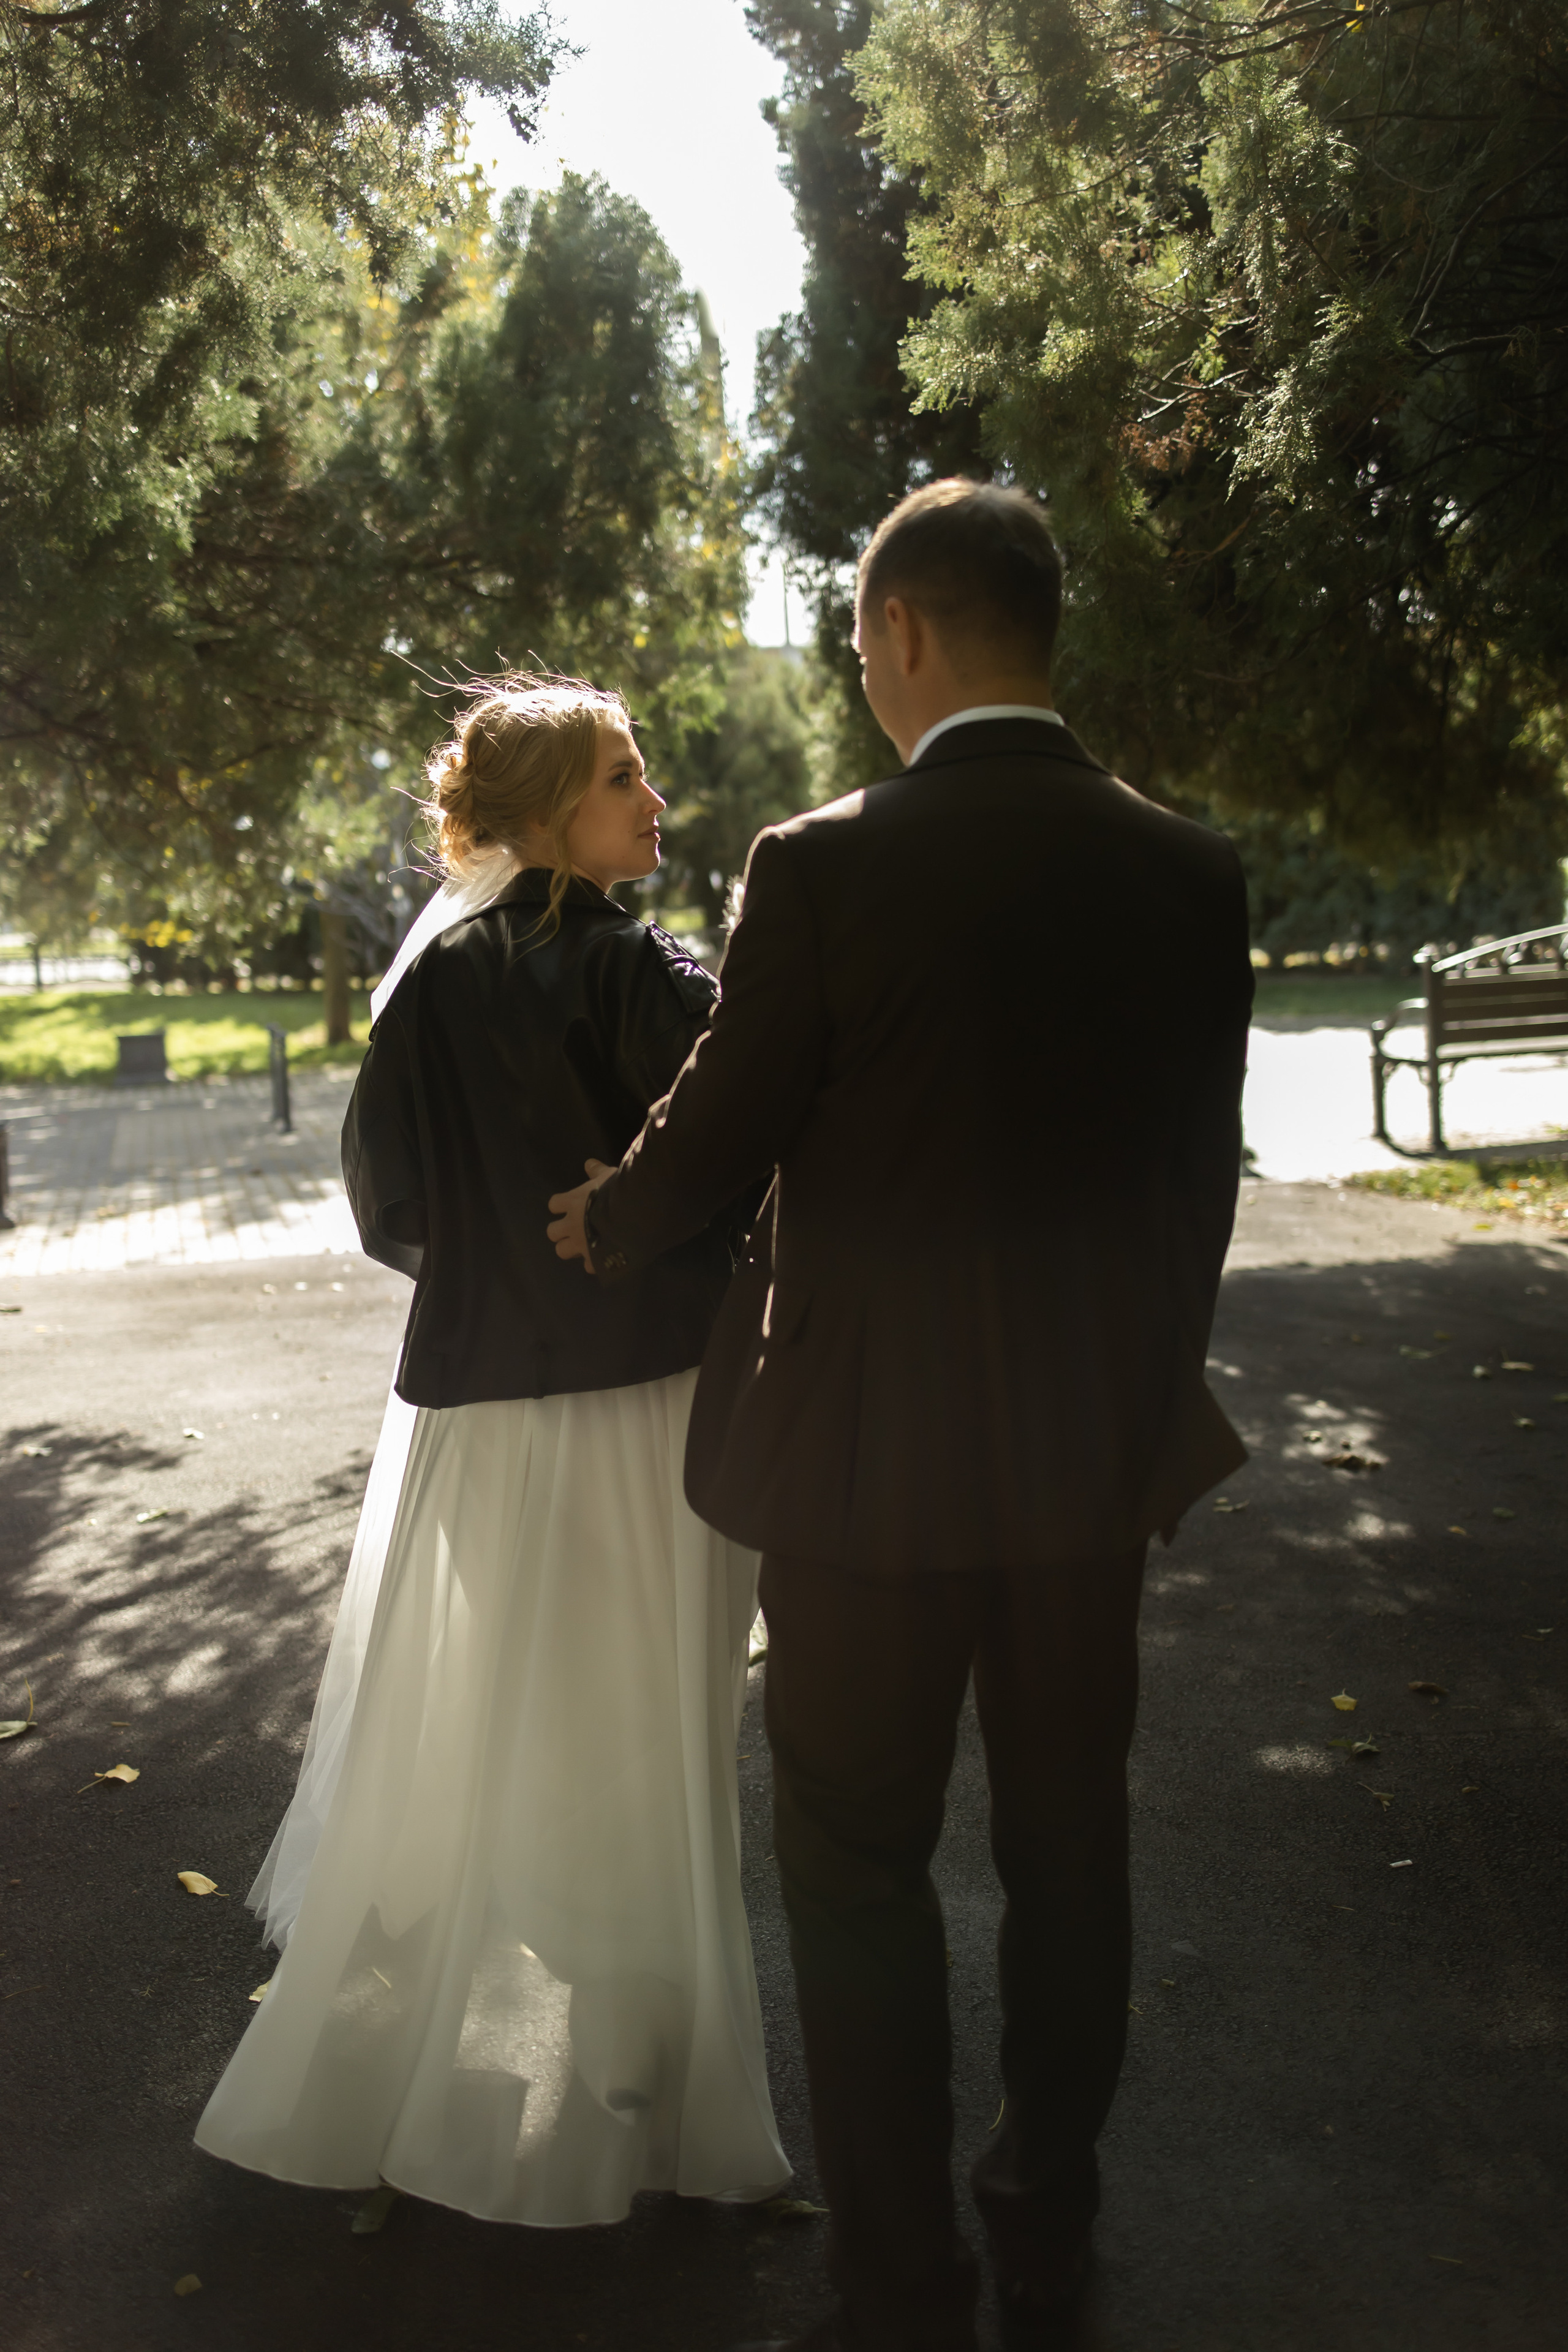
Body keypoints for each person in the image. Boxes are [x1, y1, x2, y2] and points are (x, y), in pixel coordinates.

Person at [546, 482, 1254, 2348]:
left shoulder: (826, 860)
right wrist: (1131, 1400)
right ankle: (1043, 2217)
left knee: (854, 1860)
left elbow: (718, 1135)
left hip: (863, 1477)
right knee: (1069, 1841)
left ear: (908, 637)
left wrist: (607, 1215)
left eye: (864, 643)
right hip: (1084, 1469)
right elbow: (1203, 1188)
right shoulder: (1192, 873)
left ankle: (895, 2271)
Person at [195, 676, 788, 2227]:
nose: (653, 801)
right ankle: (631, 2066)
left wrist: (497, 1279)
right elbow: (743, 1167)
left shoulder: (429, 981)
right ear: (539, 818)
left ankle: (492, 2029)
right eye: (621, 777)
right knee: (645, 1727)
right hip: (646, 1402)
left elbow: (388, 1208)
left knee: (510, 1722)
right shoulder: (646, 977)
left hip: (476, 1421)